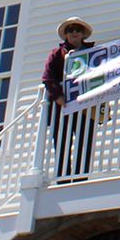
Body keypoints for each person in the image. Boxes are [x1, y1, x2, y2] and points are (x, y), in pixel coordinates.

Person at [42, 16, 96, 180]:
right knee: (62, 142)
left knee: (84, 141)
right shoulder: (57, 54)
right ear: (65, 34)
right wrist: (58, 96)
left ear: (83, 34)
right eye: (70, 30)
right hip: (62, 107)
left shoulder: (93, 53)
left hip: (85, 106)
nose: (74, 32)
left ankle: (81, 177)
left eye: (77, 29)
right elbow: (47, 77)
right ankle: (63, 177)